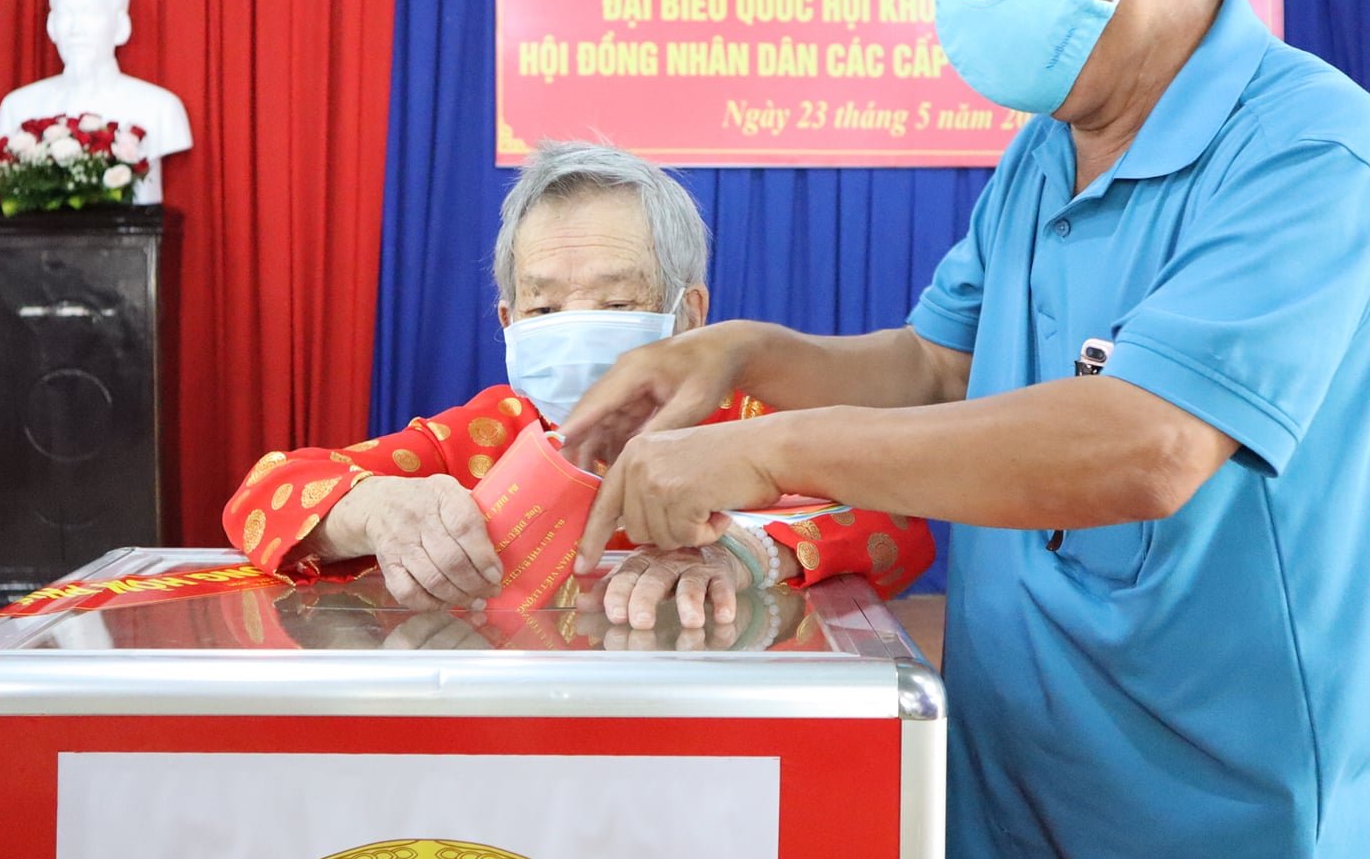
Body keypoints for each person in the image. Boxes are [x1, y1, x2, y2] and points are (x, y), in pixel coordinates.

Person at [556, 0, 1370, 859]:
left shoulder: (1305, 146)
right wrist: (744, 353)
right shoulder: (1043, 154)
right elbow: (935, 367)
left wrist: (766, 452)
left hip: (1213, 813)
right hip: (1005, 786)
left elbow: (1148, 444)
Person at [221, 141, 933, 630]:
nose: (575, 328)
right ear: (507, 322)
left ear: (689, 314)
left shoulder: (757, 424)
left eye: (617, 302)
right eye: (543, 309)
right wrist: (376, 509)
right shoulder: (485, 435)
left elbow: (896, 524)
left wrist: (747, 554)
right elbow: (266, 493)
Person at [0, 0, 192, 205]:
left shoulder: (160, 107)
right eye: (66, 15)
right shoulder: (18, 106)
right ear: (51, 26)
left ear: (121, 27)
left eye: (91, 14)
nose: (76, 29)